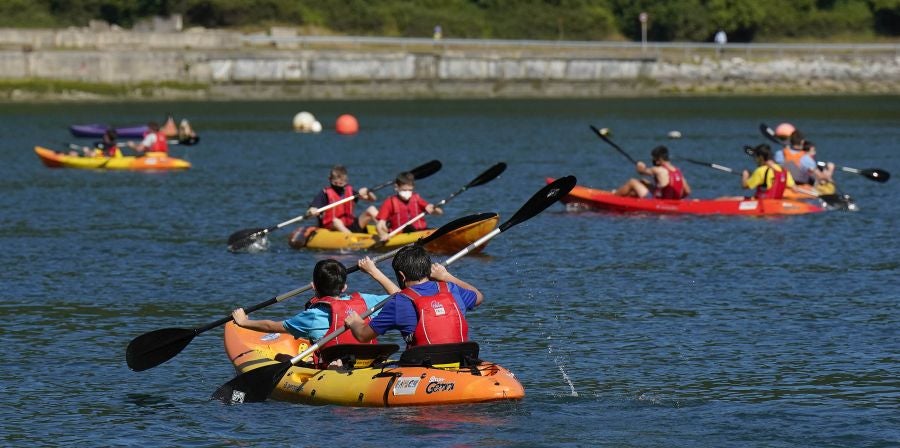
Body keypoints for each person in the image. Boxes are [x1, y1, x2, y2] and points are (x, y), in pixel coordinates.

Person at [231, 258, 399, 354]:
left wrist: (244, 322)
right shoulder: (366, 301)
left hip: (337, 369)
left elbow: (271, 326)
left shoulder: (313, 316)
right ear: (344, 287)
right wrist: (373, 271)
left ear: (315, 286)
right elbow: (399, 296)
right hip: (370, 362)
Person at [344, 244, 483, 347]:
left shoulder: (399, 302)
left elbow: (363, 335)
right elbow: (478, 296)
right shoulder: (452, 288)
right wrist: (447, 276)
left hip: (424, 367)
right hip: (460, 360)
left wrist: (355, 322)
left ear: (401, 276)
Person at [307, 165, 379, 234]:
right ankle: (351, 240)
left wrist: (368, 192)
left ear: (346, 181)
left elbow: (373, 199)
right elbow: (312, 208)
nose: (338, 186)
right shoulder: (324, 194)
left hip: (351, 225)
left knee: (371, 209)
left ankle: (385, 231)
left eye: (341, 183)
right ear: (330, 179)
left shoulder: (350, 191)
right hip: (333, 227)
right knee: (336, 221)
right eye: (335, 183)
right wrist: (312, 210)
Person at [375, 171, 443, 241]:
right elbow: (380, 225)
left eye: (410, 190)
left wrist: (433, 209)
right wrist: (383, 234)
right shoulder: (389, 202)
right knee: (409, 227)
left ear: (413, 187)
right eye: (404, 190)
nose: (407, 192)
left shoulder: (417, 199)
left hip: (421, 231)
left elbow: (439, 213)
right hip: (400, 235)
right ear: (396, 187)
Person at [613, 145, 691, 199]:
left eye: (654, 158)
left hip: (658, 200)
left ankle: (614, 197)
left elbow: (641, 171)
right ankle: (628, 196)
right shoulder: (678, 171)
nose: (653, 161)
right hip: (672, 200)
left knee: (632, 181)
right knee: (643, 181)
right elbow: (687, 191)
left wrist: (640, 165)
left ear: (659, 159)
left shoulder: (658, 169)